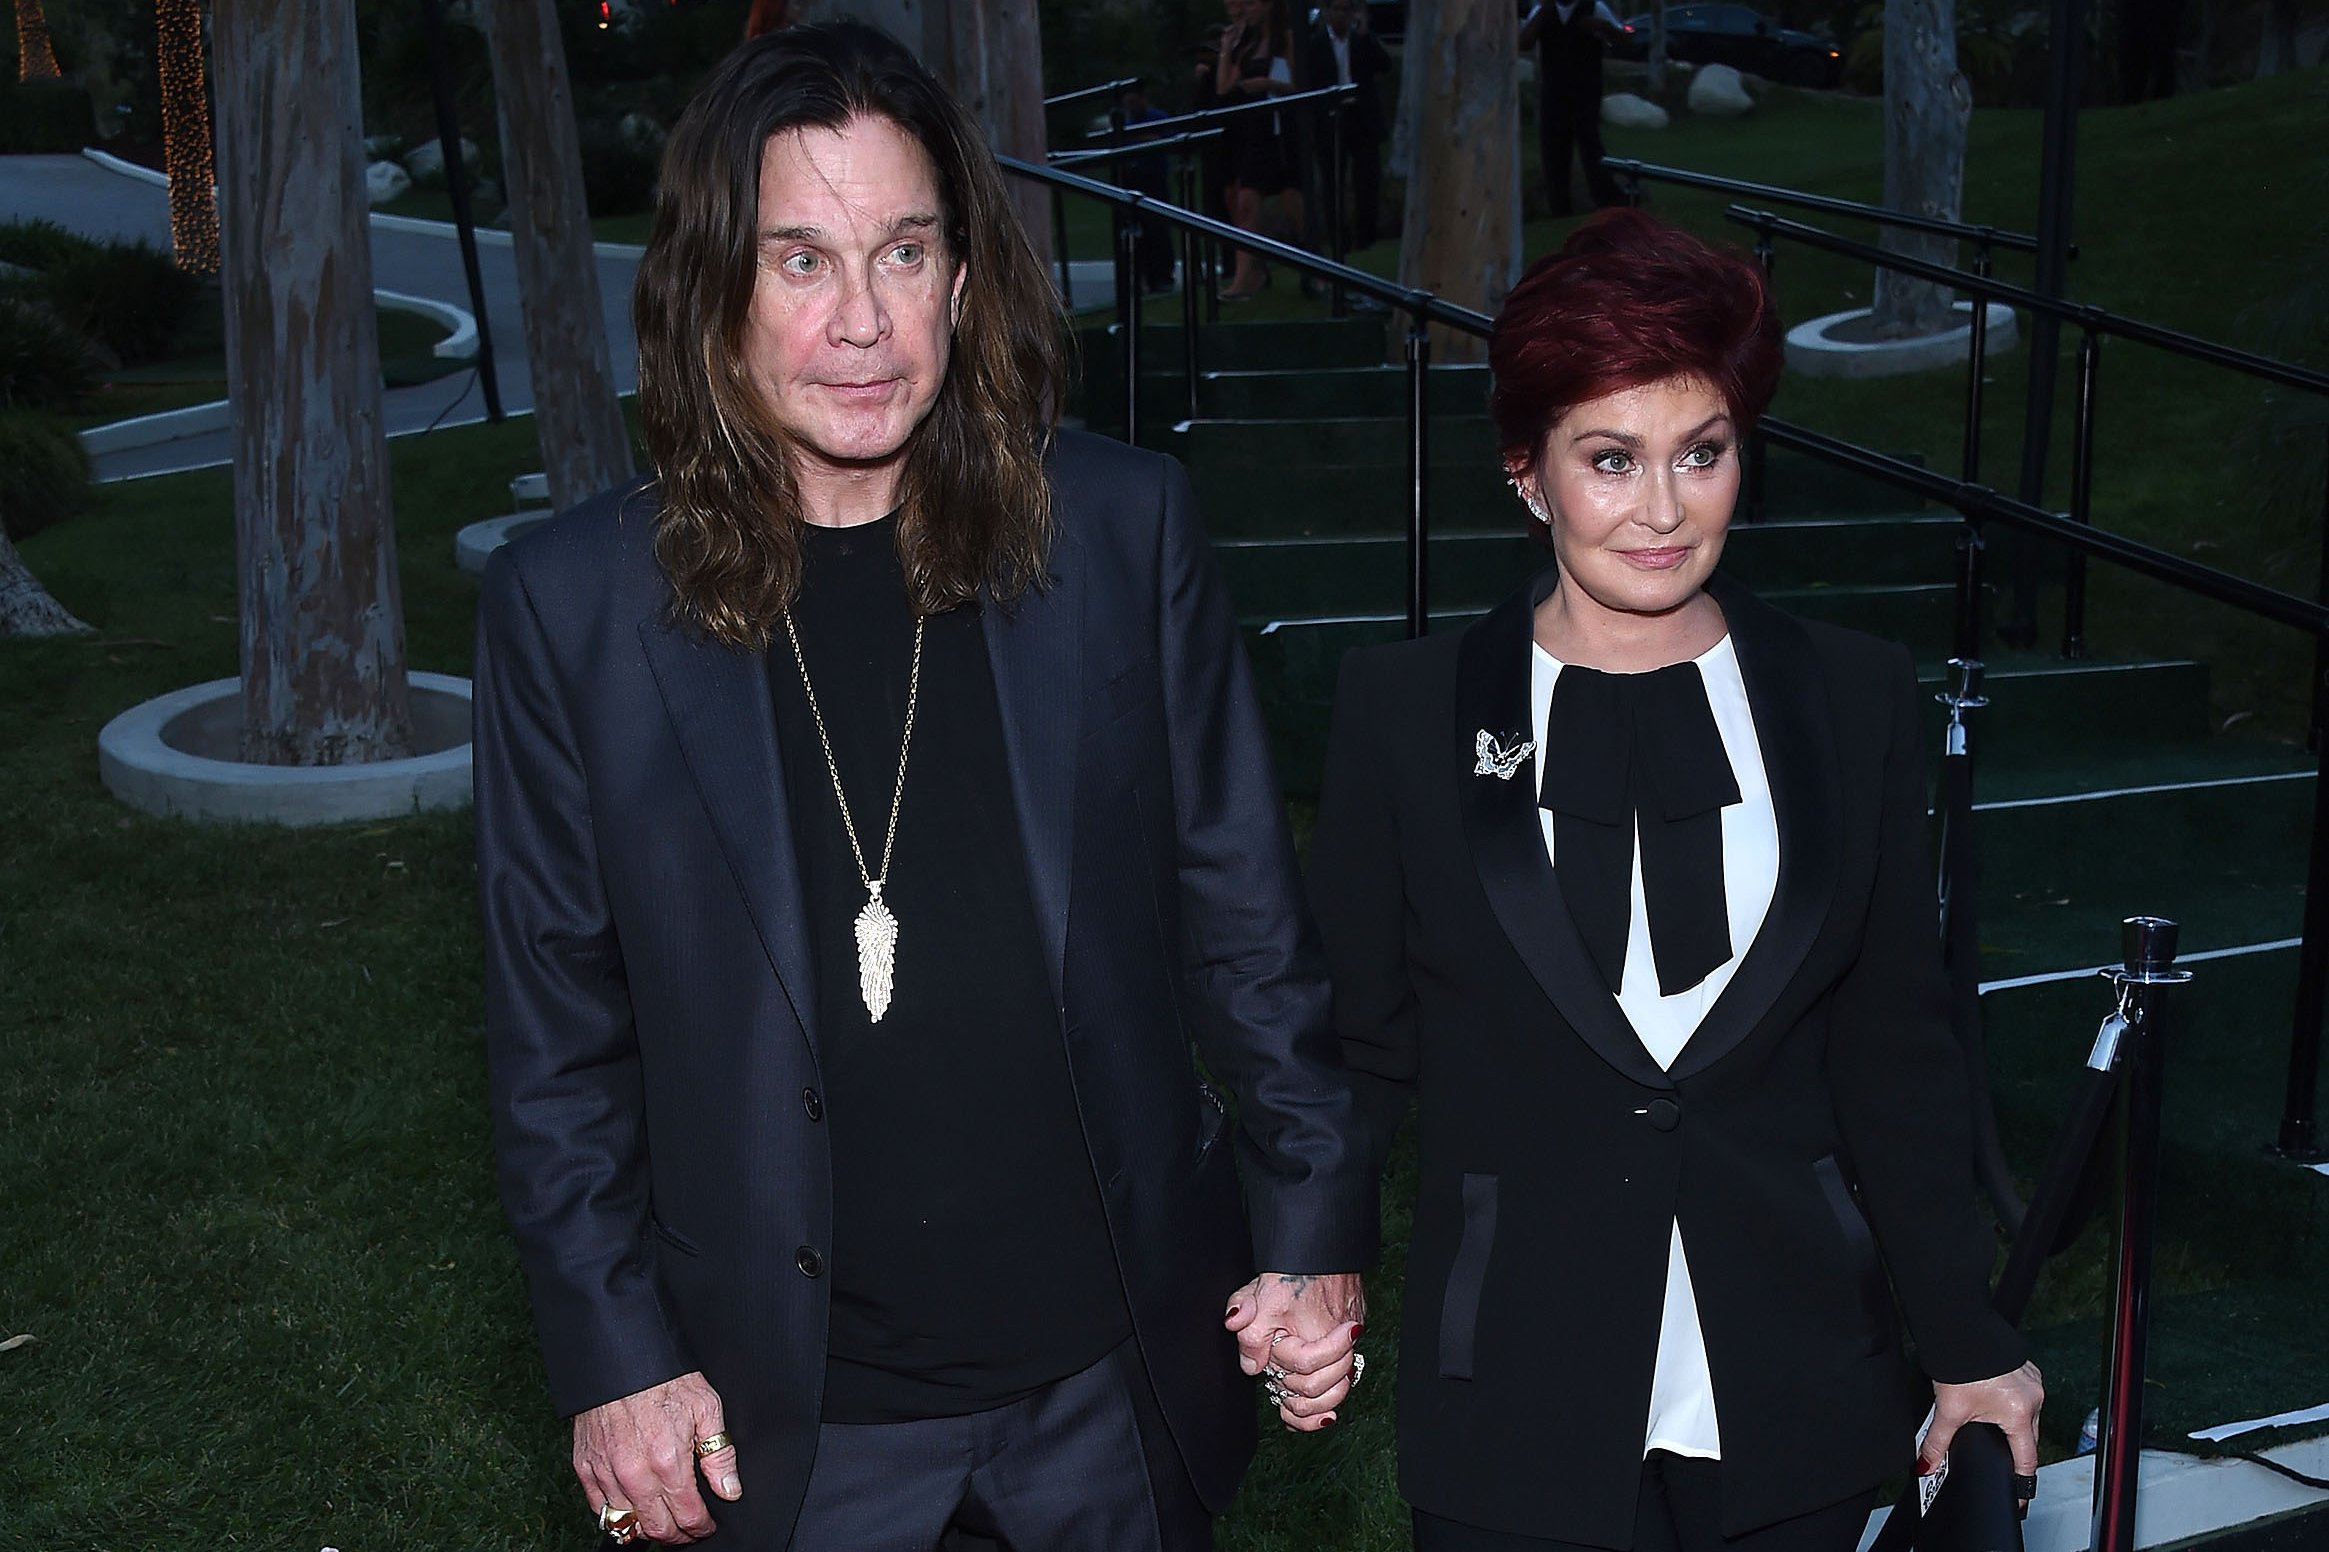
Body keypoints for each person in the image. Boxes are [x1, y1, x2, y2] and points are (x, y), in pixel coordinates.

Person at [473, 23, 1373, 1552]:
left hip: (1112, 1390)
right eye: (802, 262)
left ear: (962, 278)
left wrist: (1311, 1234)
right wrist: (618, 1357)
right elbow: (557, 1041)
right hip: (792, 1428)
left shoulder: (1118, 531)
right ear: (717, 292)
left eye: (901, 251)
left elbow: (1243, 915)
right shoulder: (573, 611)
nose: (862, 322)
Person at [1305, 209, 2044, 1552]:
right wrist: (1306, 1257)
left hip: (1794, 1381)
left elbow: (1894, 1049)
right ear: (1525, 471)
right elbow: (1358, 1042)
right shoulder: (1403, 711)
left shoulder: (1851, 699)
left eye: (1700, 453)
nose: (1661, 509)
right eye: (1610, 459)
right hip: (1512, 1392)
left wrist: (1964, 1338)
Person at [1208, 0, 1305, 298]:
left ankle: (1317, 269)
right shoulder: (1248, 44)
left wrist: (1269, 83)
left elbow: (1300, 85)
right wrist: (1227, 47)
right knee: (1246, 202)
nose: (1246, 9)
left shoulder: (1285, 39)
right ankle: (1245, 279)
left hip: (1281, 132)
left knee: (1295, 207)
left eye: (1253, 3)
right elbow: (1224, 87)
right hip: (1255, 134)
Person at [1301, 0, 1392, 252]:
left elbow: (1384, 65)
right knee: (1332, 181)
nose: (1341, 15)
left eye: (1346, 10)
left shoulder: (1360, 41)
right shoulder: (1315, 45)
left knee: (1367, 179)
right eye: (1336, 9)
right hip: (1331, 118)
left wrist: (1366, 36)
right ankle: (1339, 239)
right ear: (1327, 12)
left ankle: (1367, 236)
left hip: (1361, 116)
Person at [1520, 0, 1626, 216]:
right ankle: (1559, 207)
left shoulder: (1594, 7)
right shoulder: (1543, 10)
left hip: (1586, 90)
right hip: (1553, 91)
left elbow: (1622, 37)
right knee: (1554, 151)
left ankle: (1607, 199)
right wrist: (1542, 14)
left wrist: (1602, 27)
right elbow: (1524, 42)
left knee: (1590, 146)